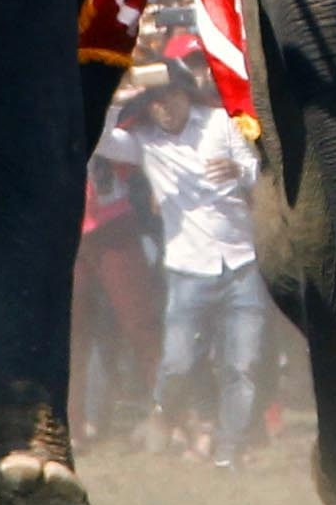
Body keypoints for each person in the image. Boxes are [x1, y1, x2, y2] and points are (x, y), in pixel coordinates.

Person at [102, 65, 269, 462]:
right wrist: (115, 102)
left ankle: (229, 452)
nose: (163, 108)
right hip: (188, 269)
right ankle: (166, 412)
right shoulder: (144, 142)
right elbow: (98, 141)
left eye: (169, 97)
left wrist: (240, 170)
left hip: (241, 260)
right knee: (178, 363)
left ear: (184, 94)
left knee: (243, 365)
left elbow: (255, 164)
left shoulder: (219, 123)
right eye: (154, 101)